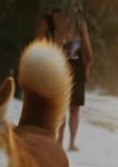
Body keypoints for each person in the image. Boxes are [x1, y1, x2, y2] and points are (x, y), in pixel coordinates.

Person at [36, 9, 93, 151]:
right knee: (60, 106)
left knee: (73, 108)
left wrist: (87, 68)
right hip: (56, 64)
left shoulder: (79, 22)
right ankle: (59, 143)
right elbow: (42, 45)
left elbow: (89, 52)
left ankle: (69, 143)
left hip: (74, 67)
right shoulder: (47, 22)